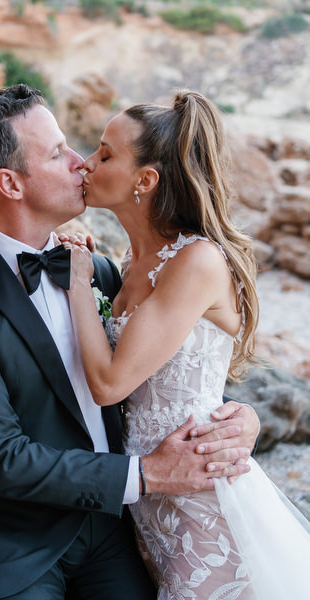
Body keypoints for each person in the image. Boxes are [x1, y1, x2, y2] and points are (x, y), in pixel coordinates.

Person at [0, 85, 259, 600]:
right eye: (58, 153)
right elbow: (0, 459)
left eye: (84, 149)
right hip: (17, 543)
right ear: (10, 183)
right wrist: (146, 475)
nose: (81, 163)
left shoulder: (100, 271)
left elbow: (162, 374)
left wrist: (239, 419)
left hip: (118, 529)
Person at [64, 89, 310, 599]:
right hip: (151, 499)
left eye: (105, 155)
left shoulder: (195, 261)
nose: (86, 163)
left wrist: (78, 285)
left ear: (145, 180)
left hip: (203, 501)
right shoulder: (131, 263)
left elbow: (109, 383)